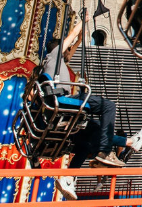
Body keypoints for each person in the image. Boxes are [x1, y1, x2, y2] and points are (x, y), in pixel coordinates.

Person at [43, 15, 124, 168]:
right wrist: (84, 21)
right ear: (59, 49)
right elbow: (72, 35)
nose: (69, 51)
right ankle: (105, 151)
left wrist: (80, 39)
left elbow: (70, 52)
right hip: (65, 100)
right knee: (109, 106)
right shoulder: (54, 56)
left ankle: (70, 177)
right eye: (66, 48)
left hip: (62, 104)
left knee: (92, 130)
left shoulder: (53, 63)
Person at [55, 121, 142, 200]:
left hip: (65, 136)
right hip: (66, 134)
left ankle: (70, 178)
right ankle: (127, 143)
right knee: (99, 122)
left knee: (88, 143)